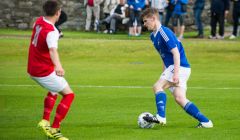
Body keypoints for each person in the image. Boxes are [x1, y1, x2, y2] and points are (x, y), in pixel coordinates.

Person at [141, 8, 213, 128]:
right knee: (180, 98)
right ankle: (206, 122)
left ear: (153, 19)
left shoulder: (164, 32)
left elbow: (176, 53)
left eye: (145, 21)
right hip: (178, 68)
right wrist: (165, 72)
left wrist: (175, 74)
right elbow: (163, 56)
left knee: (157, 86)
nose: (144, 24)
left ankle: (161, 116)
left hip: (179, 67)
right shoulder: (153, 37)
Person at [27, 1, 74, 140]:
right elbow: (53, 50)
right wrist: (59, 66)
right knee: (69, 95)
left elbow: (43, 38)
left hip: (33, 67)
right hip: (43, 71)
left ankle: (45, 121)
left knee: (53, 90)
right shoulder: (52, 31)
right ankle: (55, 129)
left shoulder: (39, 21)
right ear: (58, 13)